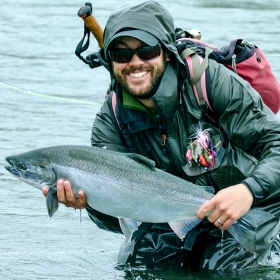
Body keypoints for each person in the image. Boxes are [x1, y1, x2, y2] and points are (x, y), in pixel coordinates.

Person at [42, 0, 280, 271]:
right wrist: (90, 203)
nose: (135, 63)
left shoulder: (210, 83)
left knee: (221, 269)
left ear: (166, 53)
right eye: (121, 55)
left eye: (147, 51)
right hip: (173, 210)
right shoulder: (111, 119)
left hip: (250, 202)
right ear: (111, 61)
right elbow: (124, 213)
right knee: (139, 267)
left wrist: (248, 190)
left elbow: (276, 145)